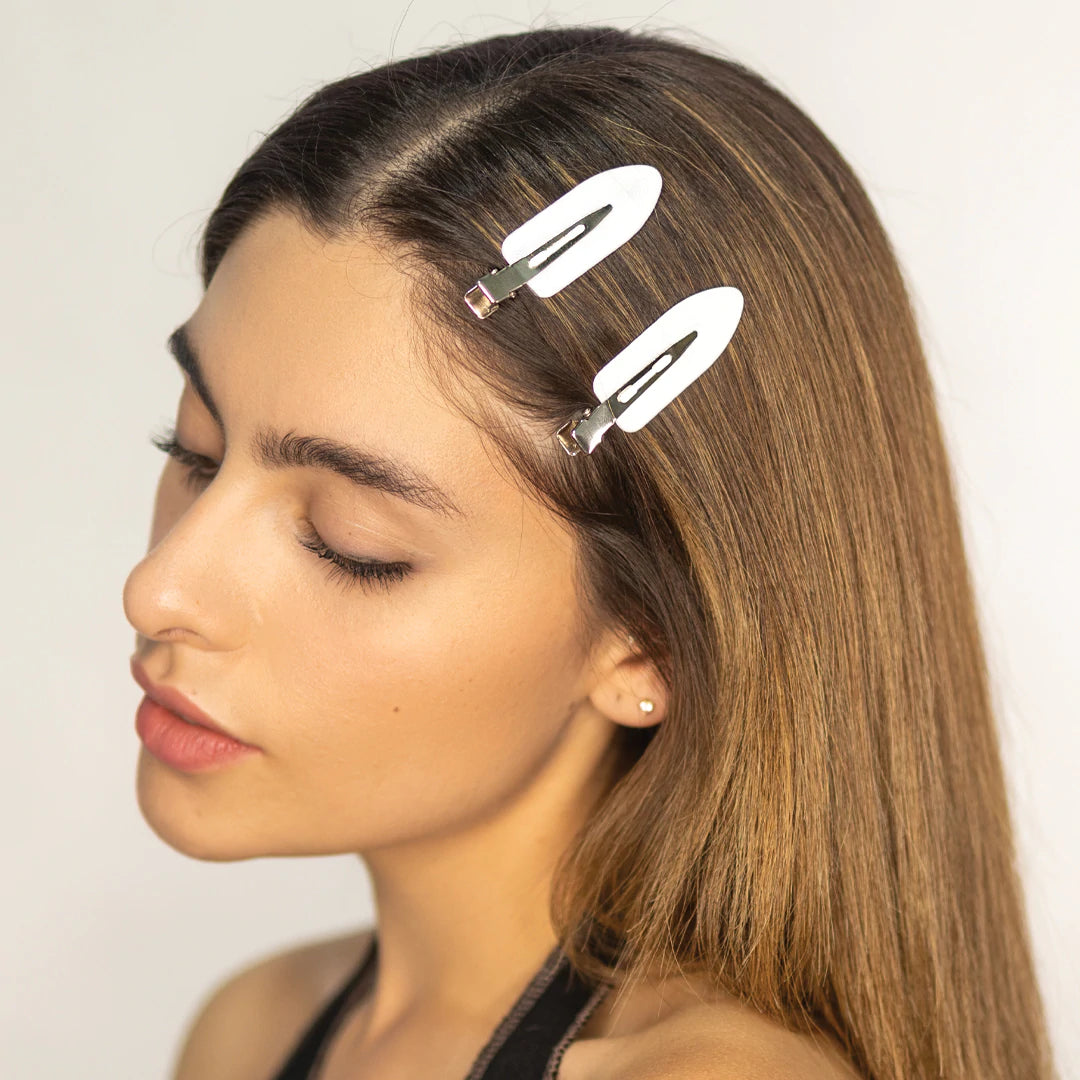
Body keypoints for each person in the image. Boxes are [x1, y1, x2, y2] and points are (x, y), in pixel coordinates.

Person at [121, 25, 1058, 1080]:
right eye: (194, 452)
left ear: (646, 642)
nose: (159, 589)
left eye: (350, 545)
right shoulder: (250, 1033)